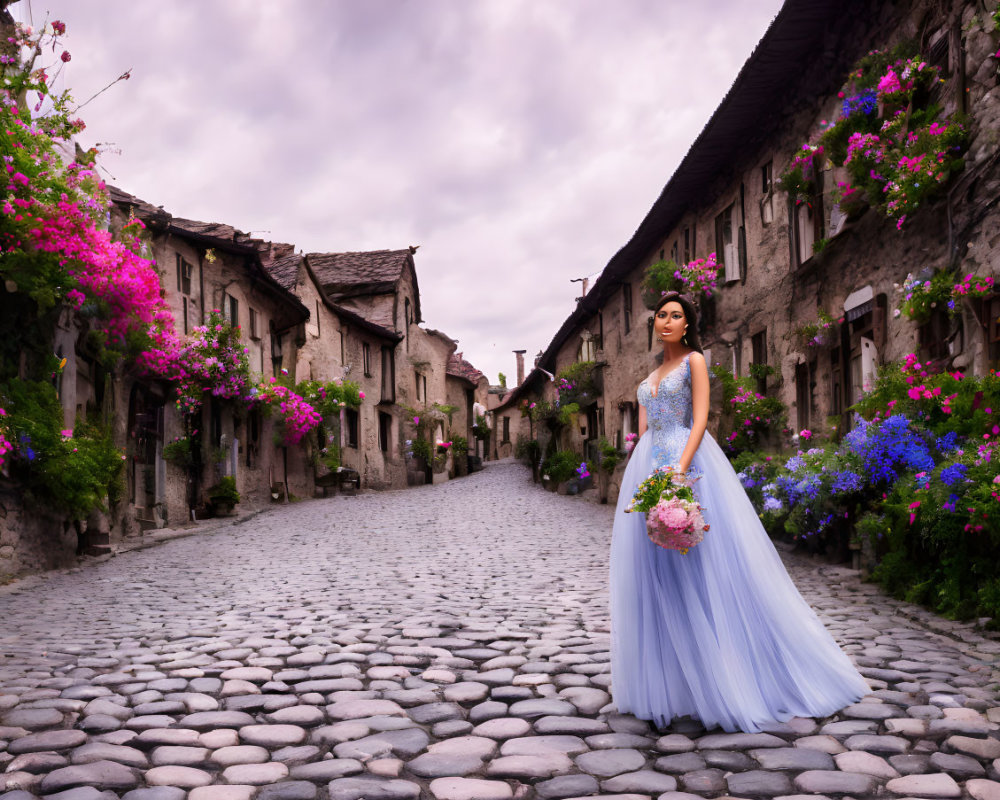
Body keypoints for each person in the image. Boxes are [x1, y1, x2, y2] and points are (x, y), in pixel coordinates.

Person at [609, 291, 870, 733]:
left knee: (702, 568)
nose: (667, 321)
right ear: (654, 324)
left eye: (676, 315)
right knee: (657, 574)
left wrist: (679, 470)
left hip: (687, 463)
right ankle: (679, 683)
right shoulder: (648, 376)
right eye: (661, 315)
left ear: (687, 325)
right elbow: (643, 432)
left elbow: (702, 417)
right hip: (648, 466)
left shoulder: (694, 362)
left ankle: (727, 676)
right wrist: (642, 477)